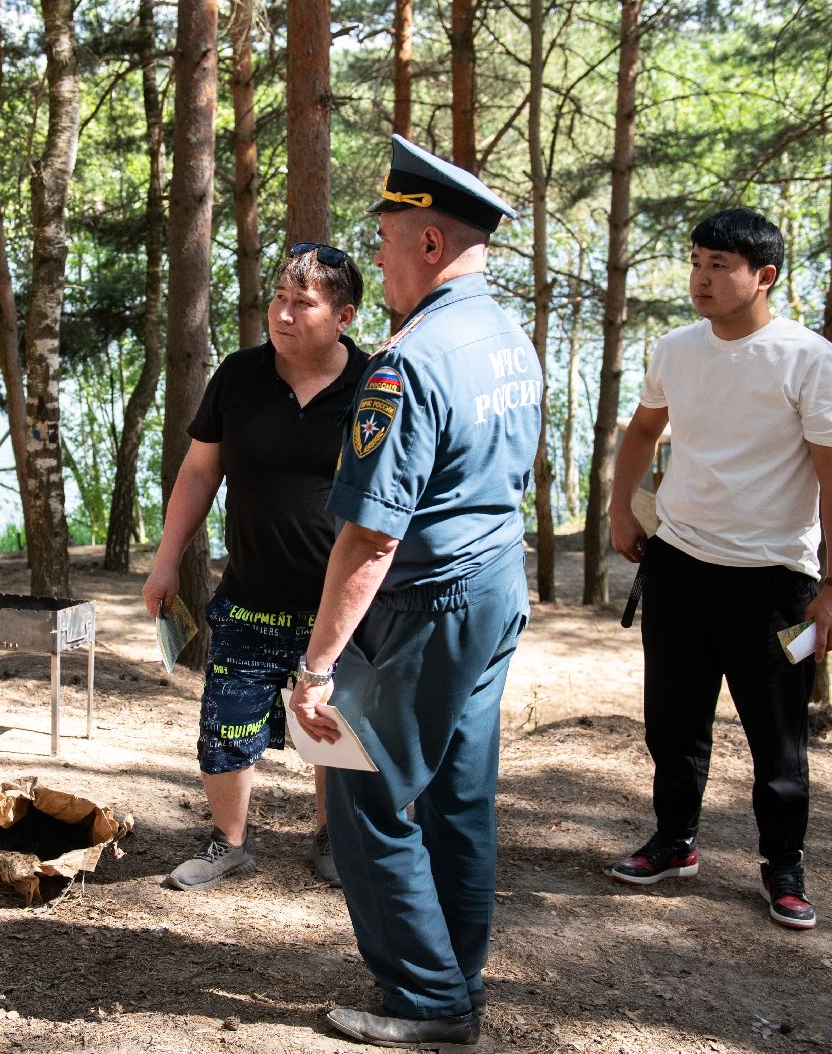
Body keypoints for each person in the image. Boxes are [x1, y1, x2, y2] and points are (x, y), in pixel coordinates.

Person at [290, 135, 540, 1049]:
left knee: (362, 790)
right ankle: (456, 978)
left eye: (387, 240)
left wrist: (318, 666)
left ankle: (427, 1000)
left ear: (430, 243)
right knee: (457, 797)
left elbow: (371, 535)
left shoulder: (408, 361)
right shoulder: (508, 337)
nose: (380, 257)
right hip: (492, 588)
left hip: (426, 603)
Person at [605, 207, 832, 932]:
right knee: (672, 723)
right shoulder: (677, 349)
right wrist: (622, 511)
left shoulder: (811, 361)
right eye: (697, 262)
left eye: (720, 266)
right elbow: (643, 430)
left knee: (776, 739)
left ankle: (784, 867)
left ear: (764, 276)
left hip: (773, 578)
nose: (702, 278)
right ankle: (674, 842)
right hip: (679, 565)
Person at [142, 243, 370, 891]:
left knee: (333, 727)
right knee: (225, 725)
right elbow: (198, 473)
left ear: (344, 316)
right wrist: (166, 562)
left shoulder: (374, 384)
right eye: (279, 298)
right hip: (249, 598)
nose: (283, 314)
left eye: (303, 303)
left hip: (338, 606)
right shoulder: (239, 376)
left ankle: (332, 836)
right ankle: (229, 842)